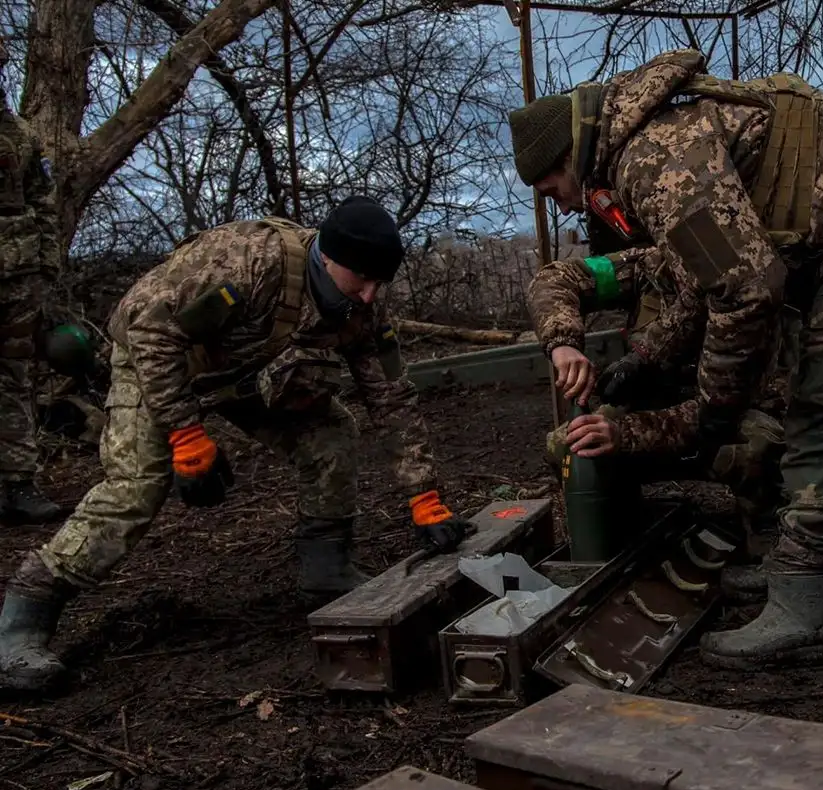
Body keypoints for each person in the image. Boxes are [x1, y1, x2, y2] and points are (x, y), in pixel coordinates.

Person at [506, 49, 823, 670]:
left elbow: (747, 292)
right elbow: (703, 277)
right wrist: (647, 359)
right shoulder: (646, 144)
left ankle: (806, 610)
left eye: (550, 187)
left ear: (565, 158)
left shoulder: (650, 159)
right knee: (814, 403)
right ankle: (794, 568)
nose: (558, 204)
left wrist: (711, 414)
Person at [0, 196, 474, 691]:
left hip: (240, 372)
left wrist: (425, 497)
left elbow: (391, 397)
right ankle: (27, 614)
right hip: (157, 362)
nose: (372, 296)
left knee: (331, 435)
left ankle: (326, 568)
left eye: (382, 284)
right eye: (363, 281)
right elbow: (150, 332)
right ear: (329, 258)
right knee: (137, 485)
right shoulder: (250, 259)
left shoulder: (363, 303)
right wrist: (186, 435)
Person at [529, 244, 787, 560]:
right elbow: (556, 277)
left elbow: (727, 405)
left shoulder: (753, 281)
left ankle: (769, 547)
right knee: (570, 444)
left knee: (759, 443)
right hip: (648, 414)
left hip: (722, 423)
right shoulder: (648, 267)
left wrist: (626, 433)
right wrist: (563, 343)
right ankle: (626, 535)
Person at [0, 39, 65, 526]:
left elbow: (43, 203)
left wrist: (46, 271)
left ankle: (18, 484)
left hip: (16, 282)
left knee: (13, 380)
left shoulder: (20, 136)